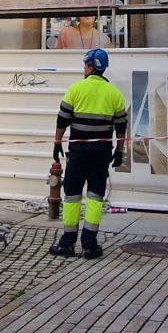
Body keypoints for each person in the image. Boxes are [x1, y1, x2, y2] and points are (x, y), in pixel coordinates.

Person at [50, 48, 129, 259]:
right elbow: (122, 127)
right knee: (95, 196)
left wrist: (57, 142)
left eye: (85, 65)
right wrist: (119, 151)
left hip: (78, 153)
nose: (84, 68)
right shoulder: (114, 94)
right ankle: (90, 245)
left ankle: (67, 243)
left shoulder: (76, 89)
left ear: (91, 67)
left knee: (72, 196)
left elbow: (62, 120)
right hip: (101, 154)